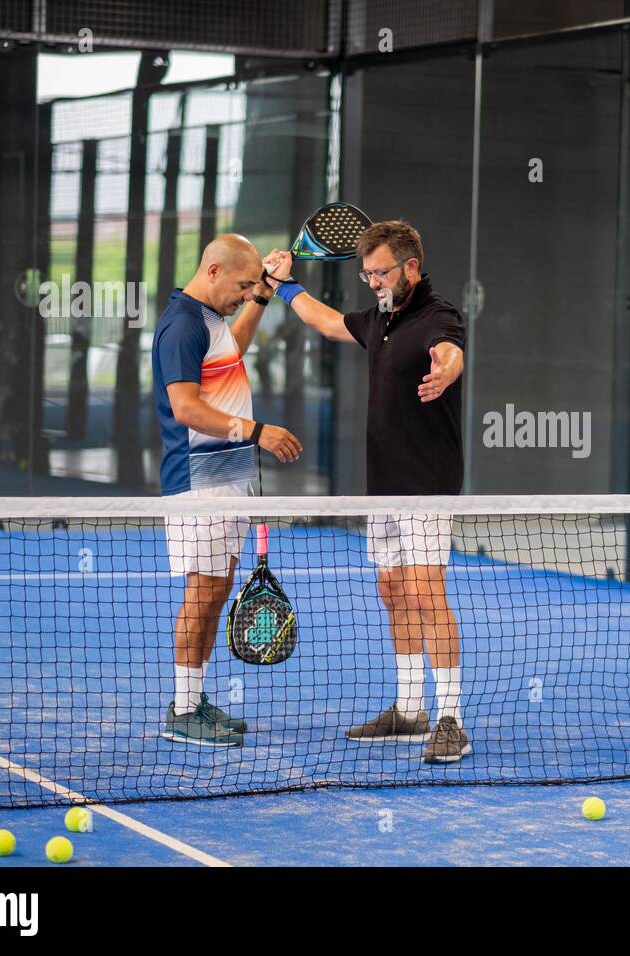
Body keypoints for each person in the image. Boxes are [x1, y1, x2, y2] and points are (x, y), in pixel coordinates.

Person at [266, 220, 469, 762]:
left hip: (427, 485)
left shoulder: (438, 314)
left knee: (428, 594)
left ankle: (451, 718)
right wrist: (286, 286)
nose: (372, 282)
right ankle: (408, 709)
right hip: (382, 484)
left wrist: (445, 372)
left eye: (380, 273)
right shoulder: (379, 318)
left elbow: (450, 352)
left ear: (410, 267)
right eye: (366, 273)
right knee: (394, 592)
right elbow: (330, 323)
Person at [152, 234, 302, 746]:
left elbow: (233, 349)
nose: (244, 293)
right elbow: (186, 409)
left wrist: (264, 293)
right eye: (241, 284)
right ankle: (183, 708)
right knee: (204, 591)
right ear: (212, 271)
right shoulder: (181, 325)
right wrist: (259, 432)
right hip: (200, 480)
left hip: (228, 475)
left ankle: (194, 700)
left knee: (217, 591)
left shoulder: (211, 319)